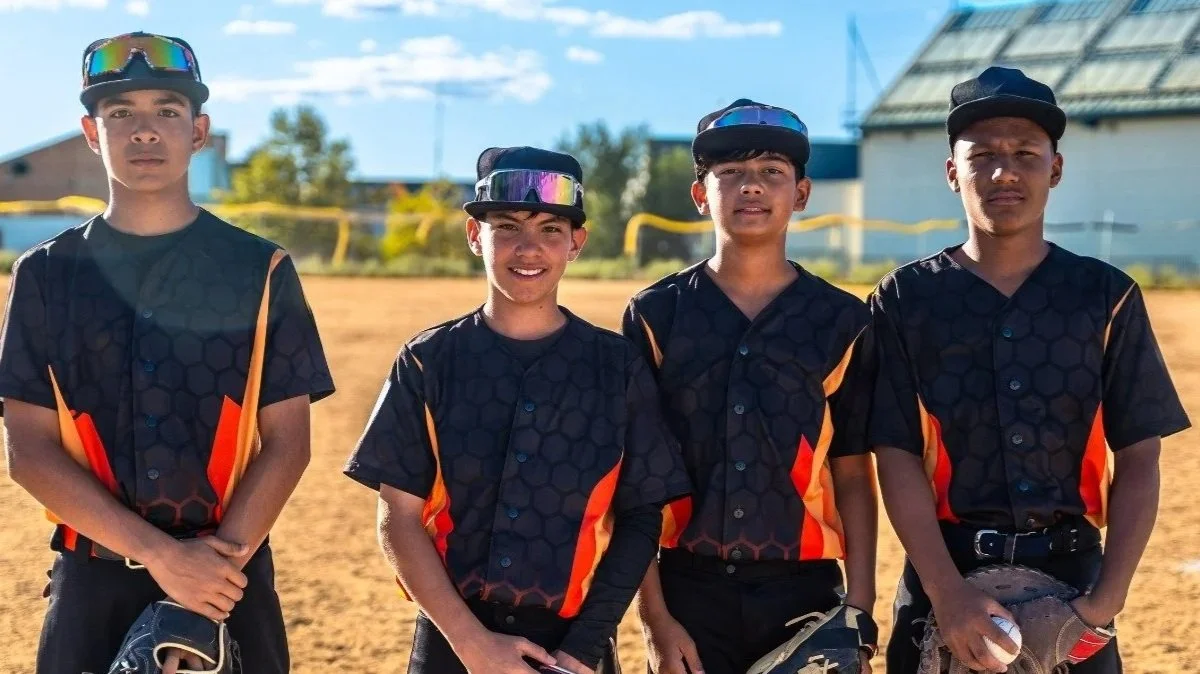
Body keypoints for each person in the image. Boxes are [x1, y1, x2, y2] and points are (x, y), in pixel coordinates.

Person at [0, 32, 335, 674]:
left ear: (199, 130)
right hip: (94, 573)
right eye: (120, 113)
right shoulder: (44, 275)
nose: (145, 131)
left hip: (229, 572)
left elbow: (289, 442)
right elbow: (29, 452)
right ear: (91, 134)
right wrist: (160, 556)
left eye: (168, 111)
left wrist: (209, 575)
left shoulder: (260, 269)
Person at [869, 66, 1192, 673]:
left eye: (1024, 152)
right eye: (983, 155)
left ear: (1057, 168)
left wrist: (1102, 605)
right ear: (952, 172)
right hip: (947, 572)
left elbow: (1141, 457)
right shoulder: (904, 299)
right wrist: (948, 594)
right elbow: (895, 455)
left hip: (1073, 578)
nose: (1004, 171)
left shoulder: (1105, 296)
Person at [344, 146, 692, 674]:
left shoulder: (615, 365)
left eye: (551, 229)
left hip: (574, 642)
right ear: (473, 236)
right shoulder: (429, 360)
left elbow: (640, 517)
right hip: (453, 641)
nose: (528, 248)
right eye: (506, 226)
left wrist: (582, 650)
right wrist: (471, 642)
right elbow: (399, 517)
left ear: (577, 242)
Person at [624, 99, 880, 674]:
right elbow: (636, 476)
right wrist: (656, 620)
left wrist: (857, 609)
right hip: (687, 587)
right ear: (700, 195)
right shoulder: (656, 315)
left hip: (805, 593)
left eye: (772, 172)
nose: (751, 188)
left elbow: (853, 470)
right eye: (730, 173)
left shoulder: (842, 321)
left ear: (803, 193)